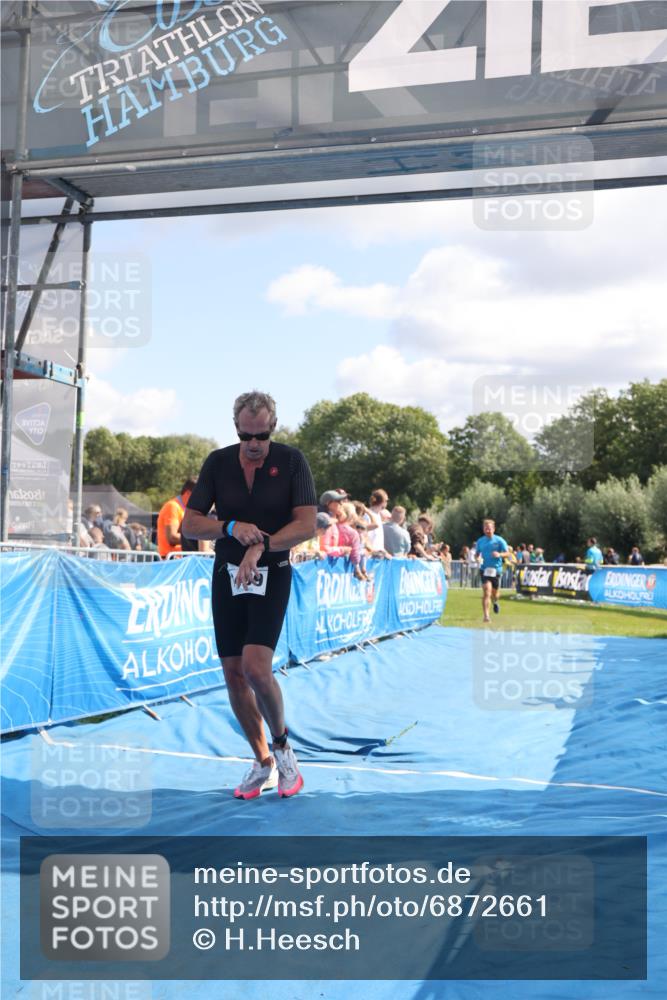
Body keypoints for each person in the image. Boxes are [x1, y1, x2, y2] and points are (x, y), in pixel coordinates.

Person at [181, 391, 317, 800]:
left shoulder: (292, 461)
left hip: (271, 573)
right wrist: (228, 527)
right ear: (236, 428)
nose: (254, 444)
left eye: (261, 435)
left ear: (273, 427)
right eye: (246, 435)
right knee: (234, 673)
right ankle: (263, 763)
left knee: (258, 668)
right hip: (228, 575)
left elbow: (307, 524)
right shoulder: (218, 462)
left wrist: (262, 544)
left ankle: (282, 746)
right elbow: (189, 525)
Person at [475, 518, 510, 623]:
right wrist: (477, 558)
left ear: (493, 529)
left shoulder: (499, 540)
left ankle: (495, 601)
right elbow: (477, 553)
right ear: (483, 529)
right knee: (487, 591)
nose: (488, 530)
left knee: (495, 593)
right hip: (484, 569)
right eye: (486, 528)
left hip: (496, 570)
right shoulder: (480, 541)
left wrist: (499, 554)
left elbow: (508, 553)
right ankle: (486, 616)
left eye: (489, 528)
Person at [157, 478, 197, 558]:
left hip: (180, 561)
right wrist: (198, 540)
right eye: (199, 495)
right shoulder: (173, 506)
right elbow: (172, 537)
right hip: (171, 562)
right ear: (188, 493)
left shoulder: (184, 509)